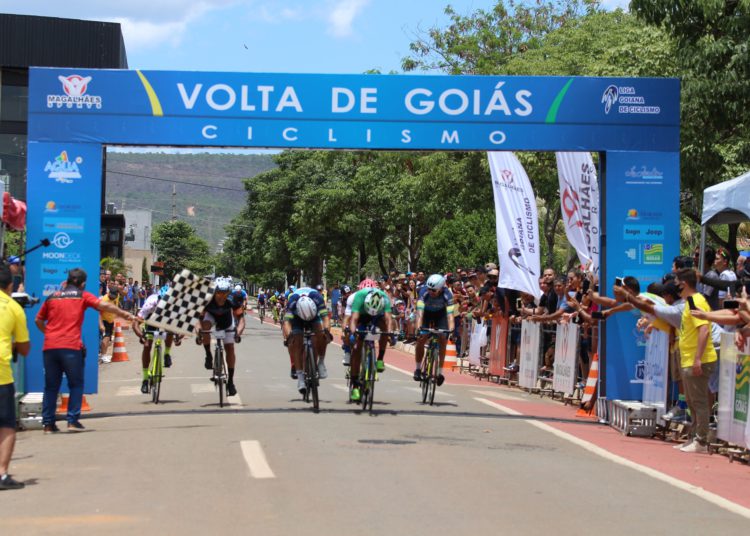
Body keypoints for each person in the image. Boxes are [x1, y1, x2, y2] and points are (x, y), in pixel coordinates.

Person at [35, 268, 135, 432]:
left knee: (51, 386)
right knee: (75, 384)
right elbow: (104, 306)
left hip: (50, 347)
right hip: (71, 347)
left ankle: (48, 423)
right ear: (83, 283)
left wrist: (49, 333)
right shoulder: (82, 295)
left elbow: (38, 320)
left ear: (67, 281)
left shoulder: (52, 297)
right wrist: (126, 315)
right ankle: (72, 420)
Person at [0, 265, 30, 489]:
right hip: (2, 376)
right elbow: (25, 348)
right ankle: (2, 473)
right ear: (10, 285)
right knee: (7, 424)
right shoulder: (13, 308)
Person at [199, 278, 245, 397]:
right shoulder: (207, 300)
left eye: (225, 293)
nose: (222, 296)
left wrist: (238, 333)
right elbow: (197, 319)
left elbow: (241, 320)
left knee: (230, 348)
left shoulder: (233, 300)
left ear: (228, 293)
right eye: (219, 293)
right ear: (214, 292)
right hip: (211, 317)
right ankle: (208, 355)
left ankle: (230, 382)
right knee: (205, 327)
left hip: (226, 320)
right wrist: (199, 332)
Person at [132, 285, 183, 394]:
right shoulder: (150, 304)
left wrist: (178, 337)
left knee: (171, 330)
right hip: (151, 318)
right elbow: (135, 323)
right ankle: (145, 379)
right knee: (147, 346)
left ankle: (167, 354)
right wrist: (141, 335)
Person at [348, 285, 393, 402]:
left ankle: (380, 359)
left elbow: (389, 319)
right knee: (357, 348)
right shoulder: (359, 297)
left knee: (385, 328)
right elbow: (353, 319)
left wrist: (391, 333)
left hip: (378, 316)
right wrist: (353, 333)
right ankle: (355, 386)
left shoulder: (385, 298)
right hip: (362, 315)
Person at [283, 286, 331, 395]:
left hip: (314, 317)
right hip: (297, 318)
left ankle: (321, 362)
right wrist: (289, 337)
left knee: (322, 335)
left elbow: (326, 319)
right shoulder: (293, 301)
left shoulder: (318, 298)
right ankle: (300, 379)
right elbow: (286, 323)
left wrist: (327, 332)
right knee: (297, 342)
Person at [413, 274, 455, 385]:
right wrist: (418, 329)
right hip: (426, 314)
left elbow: (450, 315)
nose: (431, 291)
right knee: (421, 338)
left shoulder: (447, 295)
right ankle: (418, 368)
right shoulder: (423, 292)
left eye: (434, 290)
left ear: (441, 289)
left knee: (443, 340)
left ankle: (439, 373)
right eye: (429, 288)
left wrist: (451, 331)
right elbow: (419, 314)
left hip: (441, 315)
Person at [98, 286, 120, 363]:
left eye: (115, 296)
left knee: (108, 338)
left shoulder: (116, 297)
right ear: (108, 292)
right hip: (103, 320)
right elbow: (99, 314)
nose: (113, 298)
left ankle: (102, 354)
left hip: (110, 320)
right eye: (112, 296)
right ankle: (103, 356)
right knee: (106, 337)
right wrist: (101, 325)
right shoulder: (104, 300)